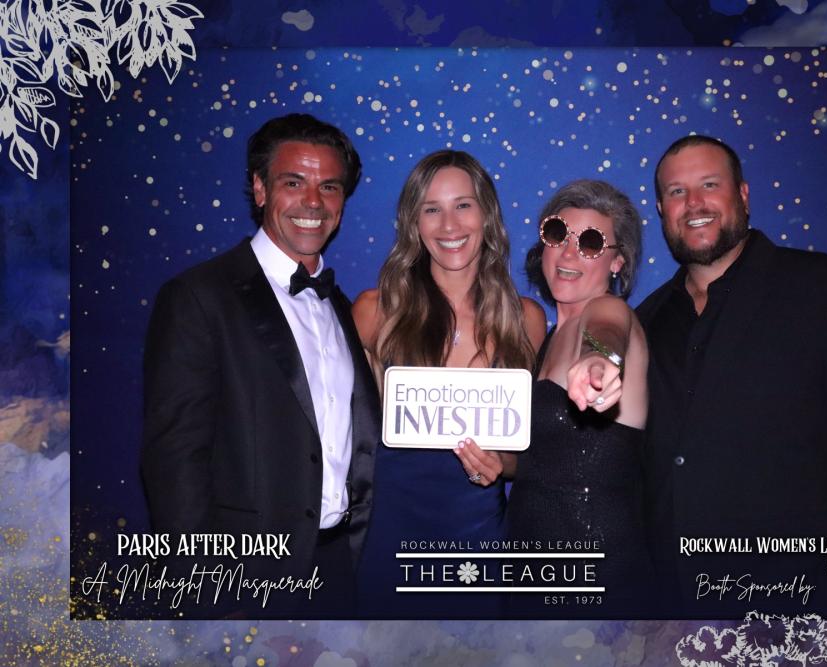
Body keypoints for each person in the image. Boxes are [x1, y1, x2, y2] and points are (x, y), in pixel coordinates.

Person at [637, 135, 827, 617]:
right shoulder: (646, 320)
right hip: (674, 610)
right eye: (677, 192)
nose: (694, 203)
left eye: (709, 184)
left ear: (743, 195)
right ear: (662, 210)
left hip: (800, 608)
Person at [141, 113, 379, 618]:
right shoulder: (199, 297)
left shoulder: (341, 305)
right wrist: (208, 592)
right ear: (260, 188)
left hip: (339, 569)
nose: (313, 202)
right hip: (243, 581)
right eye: (294, 183)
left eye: (329, 186)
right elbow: (174, 462)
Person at [352, 150, 546, 618]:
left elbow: (526, 456)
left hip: (478, 544)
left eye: (463, 205)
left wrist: (501, 464)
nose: (449, 225)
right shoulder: (375, 312)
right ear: (413, 223)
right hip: (388, 540)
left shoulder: (525, 320)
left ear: (487, 215)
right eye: (431, 209)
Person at [470, 179, 656, 617]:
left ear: (617, 262)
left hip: (597, 576)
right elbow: (543, 462)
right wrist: (499, 463)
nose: (569, 253)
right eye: (558, 235)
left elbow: (607, 334)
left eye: (590, 243)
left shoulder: (609, 311)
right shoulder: (548, 339)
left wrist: (599, 362)